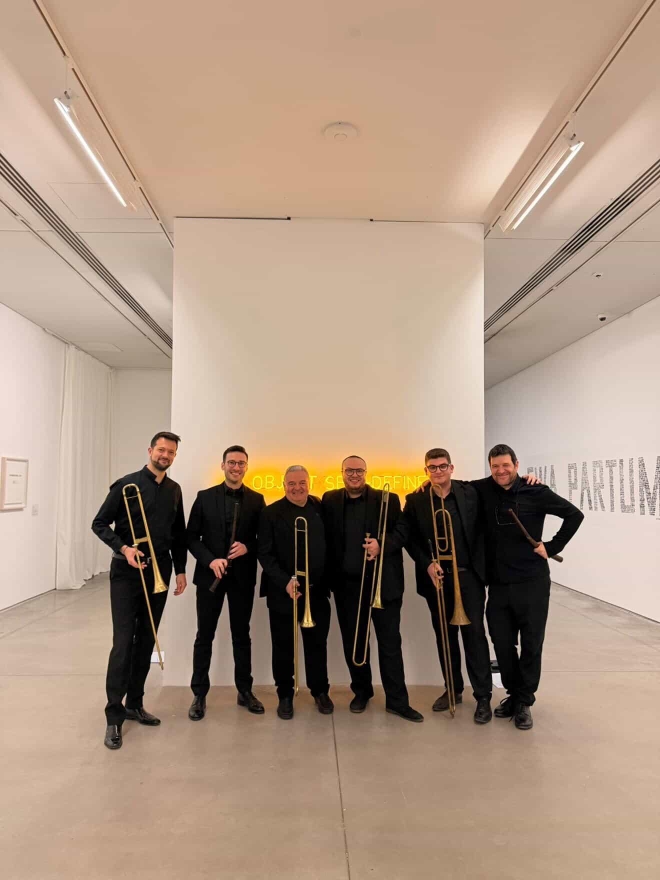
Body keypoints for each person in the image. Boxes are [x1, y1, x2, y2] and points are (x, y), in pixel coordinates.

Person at [473, 443, 584, 730]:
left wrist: (552, 546)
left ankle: (524, 702)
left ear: (516, 465)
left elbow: (574, 515)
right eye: (495, 466)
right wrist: (429, 482)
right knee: (502, 643)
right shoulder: (482, 489)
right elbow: (453, 487)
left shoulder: (536, 490)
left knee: (532, 644)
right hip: (498, 584)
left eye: (505, 465)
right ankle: (513, 693)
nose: (500, 471)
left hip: (532, 582)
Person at [91, 432, 187, 750]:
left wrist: (181, 570)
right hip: (126, 573)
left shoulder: (174, 490)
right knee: (122, 644)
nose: (165, 455)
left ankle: (135, 703)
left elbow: (178, 534)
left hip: (159, 572)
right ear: (150, 450)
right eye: (161, 449)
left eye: (171, 452)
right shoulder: (125, 485)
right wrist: (124, 548)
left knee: (146, 640)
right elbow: (99, 523)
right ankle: (113, 717)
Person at [322, 456, 423, 722]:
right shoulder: (330, 500)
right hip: (347, 586)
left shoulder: (387, 499)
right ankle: (362, 691)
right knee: (354, 644)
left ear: (366, 472)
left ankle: (397, 701)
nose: (354, 475)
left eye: (359, 470)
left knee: (390, 644)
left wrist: (382, 544)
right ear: (341, 472)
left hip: (383, 585)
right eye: (349, 470)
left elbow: (403, 531)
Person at [403, 448, 493, 723]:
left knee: (475, 637)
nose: (438, 471)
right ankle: (452, 689)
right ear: (425, 471)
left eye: (443, 466)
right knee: (445, 636)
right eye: (432, 467)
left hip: (468, 577)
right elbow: (409, 538)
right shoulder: (416, 500)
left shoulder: (470, 492)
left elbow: (500, 481)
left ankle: (483, 696)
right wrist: (427, 564)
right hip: (437, 578)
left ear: (451, 468)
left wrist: (529, 479)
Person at [186, 445, 266, 721]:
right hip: (210, 577)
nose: (236, 467)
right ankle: (199, 694)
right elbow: (190, 537)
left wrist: (247, 547)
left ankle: (245, 691)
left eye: (241, 463)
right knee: (204, 635)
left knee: (241, 635)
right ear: (223, 466)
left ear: (246, 467)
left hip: (242, 578)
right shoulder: (204, 497)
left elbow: (264, 540)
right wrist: (210, 560)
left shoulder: (257, 500)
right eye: (231, 462)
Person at [258, 465, 332, 720]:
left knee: (317, 645)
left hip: (316, 592)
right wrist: (285, 581)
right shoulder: (270, 513)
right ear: (284, 485)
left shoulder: (320, 507)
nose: (297, 488)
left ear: (309, 483)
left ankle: (320, 691)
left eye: (302, 483)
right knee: (283, 647)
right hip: (283, 593)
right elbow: (265, 554)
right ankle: (285, 695)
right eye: (291, 483)